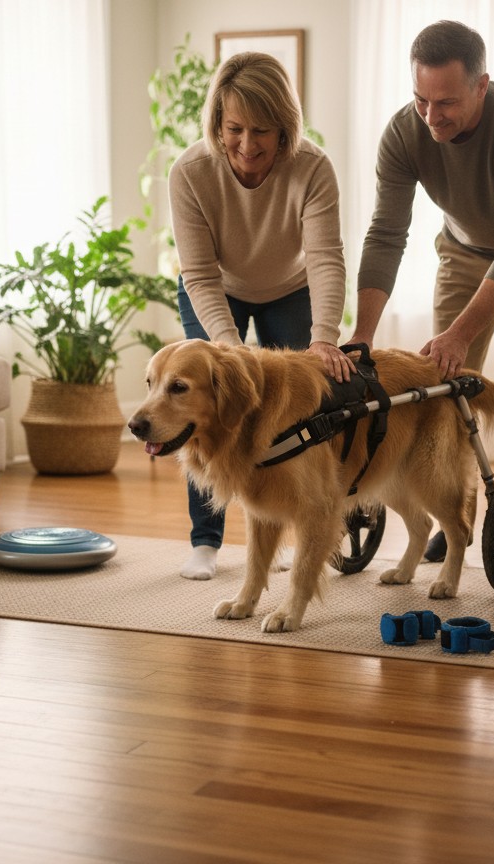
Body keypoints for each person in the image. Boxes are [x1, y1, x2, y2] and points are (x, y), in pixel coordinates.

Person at [350, 20, 494, 561]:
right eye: (421, 100)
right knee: (449, 387)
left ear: (481, 86)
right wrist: (361, 335)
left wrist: (458, 333)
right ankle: (457, 519)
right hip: (464, 248)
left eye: (447, 102)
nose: (431, 116)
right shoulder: (403, 133)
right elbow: (385, 235)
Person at [168, 51, 355, 580]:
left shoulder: (312, 167)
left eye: (262, 131)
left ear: (285, 128)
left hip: (290, 288)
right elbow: (199, 274)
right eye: (235, 129)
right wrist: (228, 352)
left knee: (297, 409)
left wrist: (324, 338)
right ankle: (205, 541)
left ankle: (304, 527)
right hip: (214, 289)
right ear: (217, 124)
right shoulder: (190, 172)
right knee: (202, 405)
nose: (247, 145)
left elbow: (325, 258)